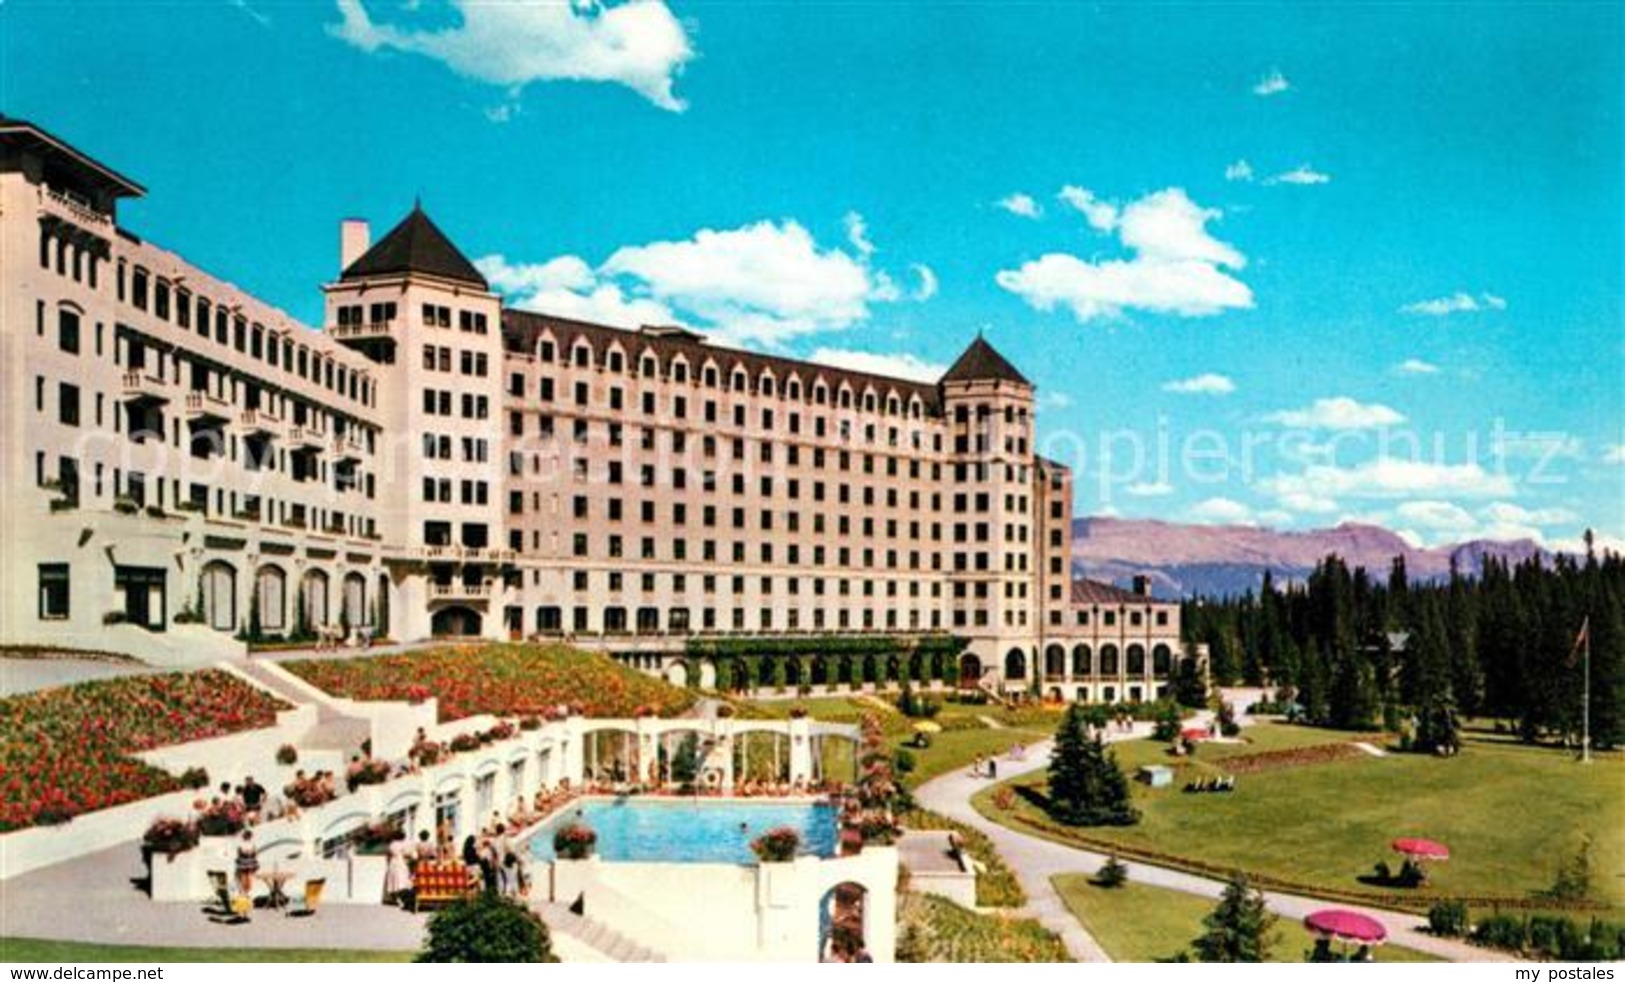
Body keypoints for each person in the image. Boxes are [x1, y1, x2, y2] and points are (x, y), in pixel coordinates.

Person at [384, 829, 412, 905]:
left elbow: (388, 855)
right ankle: (401, 899)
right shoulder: (402, 844)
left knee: (394, 879)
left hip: (393, 862)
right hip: (400, 862)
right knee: (401, 880)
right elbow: (408, 853)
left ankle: (395, 898)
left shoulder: (391, 844)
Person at [234, 829, 259, 898]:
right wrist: (249, 853)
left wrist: (249, 852)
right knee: (245, 877)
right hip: (246, 861)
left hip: (248, 861)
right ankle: (245, 892)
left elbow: (254, 852)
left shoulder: (250, 844)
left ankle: (246, 892)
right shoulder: (243, 844)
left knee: (247, 877)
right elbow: (240, 852)